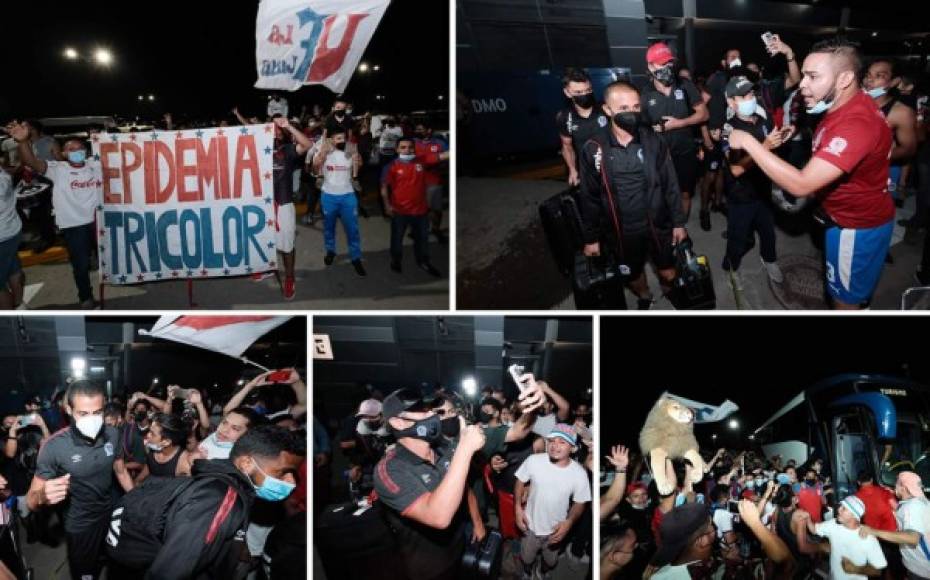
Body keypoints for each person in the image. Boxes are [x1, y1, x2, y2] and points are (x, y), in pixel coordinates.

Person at [726, 37, 894, 309]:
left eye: (812, 76)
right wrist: (799, 130)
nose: (802, 84)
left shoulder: (857, 123)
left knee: (846, 302)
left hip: (856, 226)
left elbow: (801, 184)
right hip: (841, 216)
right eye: (804, 75)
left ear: (844, 79)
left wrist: (748, 142)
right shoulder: (842, 105)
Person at [109, 425, 303, 579]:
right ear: (246, 463)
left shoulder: (218, 478)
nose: (291, 482)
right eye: (283, 472)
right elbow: (170, 571)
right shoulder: (219, 498)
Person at [578, 81, 688, 309]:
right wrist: (591, 238)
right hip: (621, 231)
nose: (632, 113)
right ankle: (645, 296)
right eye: (623, 108)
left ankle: (670, 292)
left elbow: (670, 184)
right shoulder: (593, 148)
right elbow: (589, 197)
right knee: (632, 273)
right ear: (607, 110)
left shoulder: (654, 141)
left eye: (636, 107)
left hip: (657, 224)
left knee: (668, 270)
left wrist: (678, 222)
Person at [372, 387, 487, 580]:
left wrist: (477, 522)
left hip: (460, 549)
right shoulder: (390, 470)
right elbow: (438, 517)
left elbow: (463, 488)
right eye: (422, 409)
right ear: (398, 422)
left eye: (431, 408)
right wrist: (464, 450)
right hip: (428, 568)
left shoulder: (442, 448)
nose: (432, 414)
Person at [26, 381, 134, 580]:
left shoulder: (112, 433)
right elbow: (30, 502)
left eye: (98, 412)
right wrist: (42, 496)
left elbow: (121, 471)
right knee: (85, 574)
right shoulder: (54, 446)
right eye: (83, 414)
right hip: (81, 524)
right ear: (68, 409)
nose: (92, 419)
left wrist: (136, 499)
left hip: (110, 512)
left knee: (116, 561)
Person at [8, 121, 99, 308]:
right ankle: (86, 297)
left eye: (80, 148)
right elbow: (31, 162)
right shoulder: (58, 170)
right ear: (64, 154)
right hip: (75, 225)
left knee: (110, 261)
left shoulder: (94, 165)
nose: (77, 151)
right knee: (80, 265)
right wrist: (23, 142)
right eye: (71, 149)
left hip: (101, 223)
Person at [721, 76, 790, 290]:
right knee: (738, 236)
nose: (751, 98)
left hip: (763, 190)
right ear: (732, 102)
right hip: (741, 196)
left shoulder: (763, 119)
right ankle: (732, 269)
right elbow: (736, 168)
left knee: (768, 231)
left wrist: (780, 140)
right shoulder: (729, 131)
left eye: (751, 93)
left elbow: (772, 150)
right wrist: (765, 147)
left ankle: (769, 260)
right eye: (744, 96)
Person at [640, 42, 709, 220]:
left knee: (685, 193)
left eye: (670, 63)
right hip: (660, 156)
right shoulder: (644, 95)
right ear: (650, 66)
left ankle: (681, 227)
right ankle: (667, 229)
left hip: (685, 152)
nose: (668, 67)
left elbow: (704, 114)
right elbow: (643, 129)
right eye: (662, 64)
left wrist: (679, 123)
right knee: (663, 195)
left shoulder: (685, 85)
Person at [515, 424, 592, 579]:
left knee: (550, 561)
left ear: (572, 448)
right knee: (527, 558)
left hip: (556, 530)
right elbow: (520, 480)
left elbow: (580, 502)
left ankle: (542, 572)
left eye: (562, 442)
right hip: (530, 525)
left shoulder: (579, 473)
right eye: (552, 441)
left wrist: (569, 522)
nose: (555, 446)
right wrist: (517, 507)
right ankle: (528, 571)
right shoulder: (533, 460)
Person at [381, 137, 450, 276]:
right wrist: (387, 206)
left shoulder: (421, 161)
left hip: (420, 211)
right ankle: (396, 260)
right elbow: (384, 188)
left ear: (414, 149)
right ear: (397, 150)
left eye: (410, 147)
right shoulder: (391, 167)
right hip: (400, 212)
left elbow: (444, 155)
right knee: (397, 238)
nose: (407, 150)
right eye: (403, 147)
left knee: (422, 239)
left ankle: (423, 262)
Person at [264, 115, 312, 300]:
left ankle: (290, 277)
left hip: (283, 205)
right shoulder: (258, 149)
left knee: (286, 246)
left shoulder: (288, 150)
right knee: (264, 242)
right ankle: (265, 269)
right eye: (272, 125)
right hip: (263, 206)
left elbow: (307, 145)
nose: (275, 129)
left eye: (278, 127)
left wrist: (289, 126)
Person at [863, 58, 919, 212]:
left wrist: (879, 155)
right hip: (852, 173)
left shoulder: (901, 112)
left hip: (881, 173)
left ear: (894, 82)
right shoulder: (854, 102)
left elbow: (909, 148)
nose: (870, 80)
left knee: (874, 212)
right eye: (868, 75)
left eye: (879, 76)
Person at [312, 127, 366, 276]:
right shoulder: (324, 151)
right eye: (338, 138)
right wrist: (323, 152)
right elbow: (315, 166)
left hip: (347, 196)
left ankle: (356, 257)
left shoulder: (351, 151)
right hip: (329, 196)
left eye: (343, 138)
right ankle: (331, 251)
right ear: (331, 140)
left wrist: (358, 160)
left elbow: (359, 167)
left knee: (352, 230)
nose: (341, 141)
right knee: (329, 227)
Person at [859, 472, 930, 580]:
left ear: (904, 488)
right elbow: (901, 511)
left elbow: (912, 538)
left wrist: (874, 531)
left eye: (896, 484)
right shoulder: (921, 501)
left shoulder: (911, 507)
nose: (894, 486)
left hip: (922, 569)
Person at [806, 495, 887, 579]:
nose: (838, 510)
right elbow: (814, 530)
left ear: (854, 516)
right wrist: (807, 518)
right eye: (840, 507)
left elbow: (878, 570)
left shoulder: (868, 538)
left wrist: (856, 569)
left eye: (844, 508)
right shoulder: (833, 524)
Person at [557, 67, 611, 188]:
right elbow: (567, 147)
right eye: (578, 92)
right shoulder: (565, 117)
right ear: (567, 92)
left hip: (610, 166)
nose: (584, 95)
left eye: (588, 90)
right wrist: (572, 170)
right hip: (586, 172)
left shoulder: (605, 109)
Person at [413, 122, 449, 242]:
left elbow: (448, 158)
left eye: (420, 129)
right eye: (416, 129)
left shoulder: (440, 144)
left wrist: (442, 166)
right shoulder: (413, 143)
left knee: (436, 209)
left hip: (434, 181)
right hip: (417, 181)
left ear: (429, 130)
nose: (418, 131)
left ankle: (436, 229)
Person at [134, 413, 194, 483]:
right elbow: (146, 471)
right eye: (149, 431)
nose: (148, 435)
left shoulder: (184, 463)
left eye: (152, 434)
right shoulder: (152, 452)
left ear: (166, 442)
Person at [0, 162, 23, 310]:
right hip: (12, 230)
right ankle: (19, 306)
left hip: (3, 236)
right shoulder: (3, 175)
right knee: (13, 271)